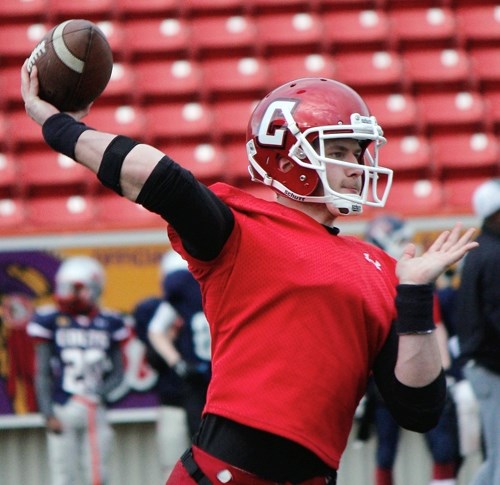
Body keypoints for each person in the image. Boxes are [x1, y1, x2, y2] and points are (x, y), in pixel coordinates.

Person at [21, 64, 479, 485]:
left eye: (358, 152)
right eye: (338, 150)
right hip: (226, 473)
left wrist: (416, 295)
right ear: (286, 160)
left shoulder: (382, 267)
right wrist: (59, 125)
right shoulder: (243, 229)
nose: (357, 166)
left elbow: (418, 408)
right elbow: (155, 175)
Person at [364, 215, 461, 485]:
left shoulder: (418, 282)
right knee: (385, 453)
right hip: (381, 384)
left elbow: (435, 327)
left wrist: (447, 371)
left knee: (441, 447)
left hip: (418, 373)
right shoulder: (370, 282)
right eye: (398, 240)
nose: (407, 246)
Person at [27, 255, 129, 485]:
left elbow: (119, 371)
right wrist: (47, 413)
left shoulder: (108, 322)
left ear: (93, 288)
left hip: (95, 407)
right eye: (64, 287)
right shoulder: (50, 320)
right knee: (63, 476)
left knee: (98, 474)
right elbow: (41, 371)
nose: (67, 294)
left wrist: (100, 394)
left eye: (74, 288)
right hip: (63, 405)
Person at [133, 249, 211, 480]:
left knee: (213, 460)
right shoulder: (156, 311)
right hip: (175, 398)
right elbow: (154, 356)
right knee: (175, 463)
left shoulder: (215, 296)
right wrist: (176, 359)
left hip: (213, 391)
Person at [455, 178, 500, 485]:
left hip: (481, 364)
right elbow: (496, 313)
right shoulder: (494, 254)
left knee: (495, 456)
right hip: (492, 365)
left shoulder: (479, 250)